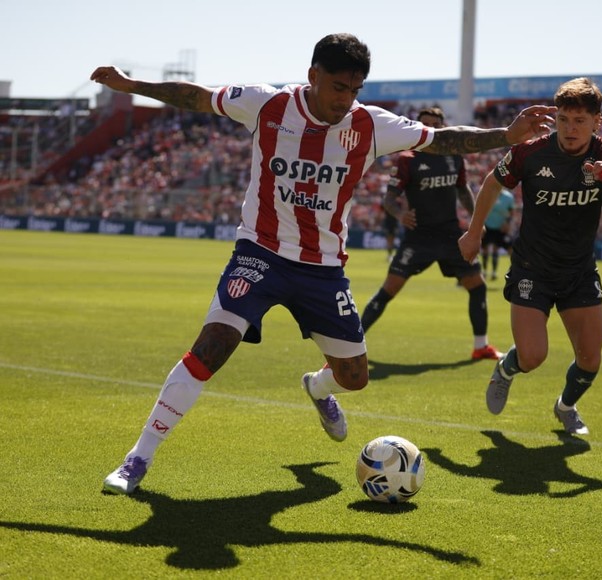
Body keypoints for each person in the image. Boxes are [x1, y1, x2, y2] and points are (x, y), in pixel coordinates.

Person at [91, 33, 555, 495]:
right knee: (212, 345)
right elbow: (194, 95)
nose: (346, 99)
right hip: (260, 252)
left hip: (323, 268)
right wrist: (133, 86)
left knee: (355, 378)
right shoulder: (266, 104)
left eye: (355, 89)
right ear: (313, 76)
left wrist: (506, 136)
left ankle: (318, 388)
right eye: (338, 87)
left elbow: (442, 140)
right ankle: (138, 459)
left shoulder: (370, 125)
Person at [458, 78, 602, 436]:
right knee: (533, 357)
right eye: (563, 119)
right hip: (533, 269)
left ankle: (565, 406)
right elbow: (491, 182)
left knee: (591, 360)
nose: (570, 128)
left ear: (597, 122)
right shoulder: (531, 151)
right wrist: (473, 231)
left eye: (580, 121)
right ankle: (505, 369)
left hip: (578, 271)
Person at [360, 107, 501, 361]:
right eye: (425, 124)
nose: (430, 128)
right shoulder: (407, 159)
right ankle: (351, 346)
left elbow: (462, 190)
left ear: (443, 125)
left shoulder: (454, 155)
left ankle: (481, 346)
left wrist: (475, 219)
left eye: (435, 124)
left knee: (477, 287)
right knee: (388, 291)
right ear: (418, 126)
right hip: (419, 237)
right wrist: (400, 214)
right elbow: (389, 198)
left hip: (450, 236)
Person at [480, 188, 515, 281]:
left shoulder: (508, 197)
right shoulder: (487, 193)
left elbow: (511, 213)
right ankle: (484, 271)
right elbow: (480, 208)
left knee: (496, 248)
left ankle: (494, 273)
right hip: (487, 225)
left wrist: (507, 223)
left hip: (500, 227)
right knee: (485, 249)